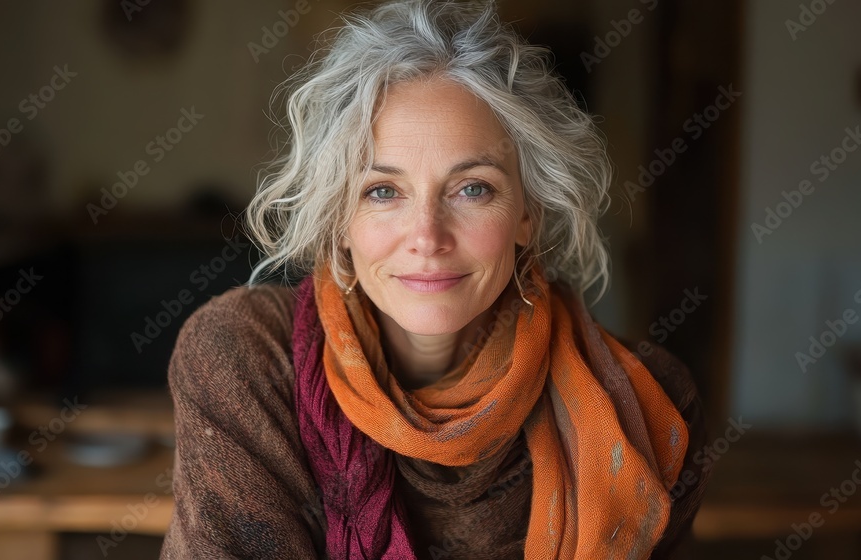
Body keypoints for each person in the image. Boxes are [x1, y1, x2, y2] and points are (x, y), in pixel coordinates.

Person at [160, 1, 708, 558]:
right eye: (383, 191)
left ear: (527, 213)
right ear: (339, 221)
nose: (427, 236)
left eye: (472, 188)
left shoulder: (645, 407)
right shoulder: (245, 358)